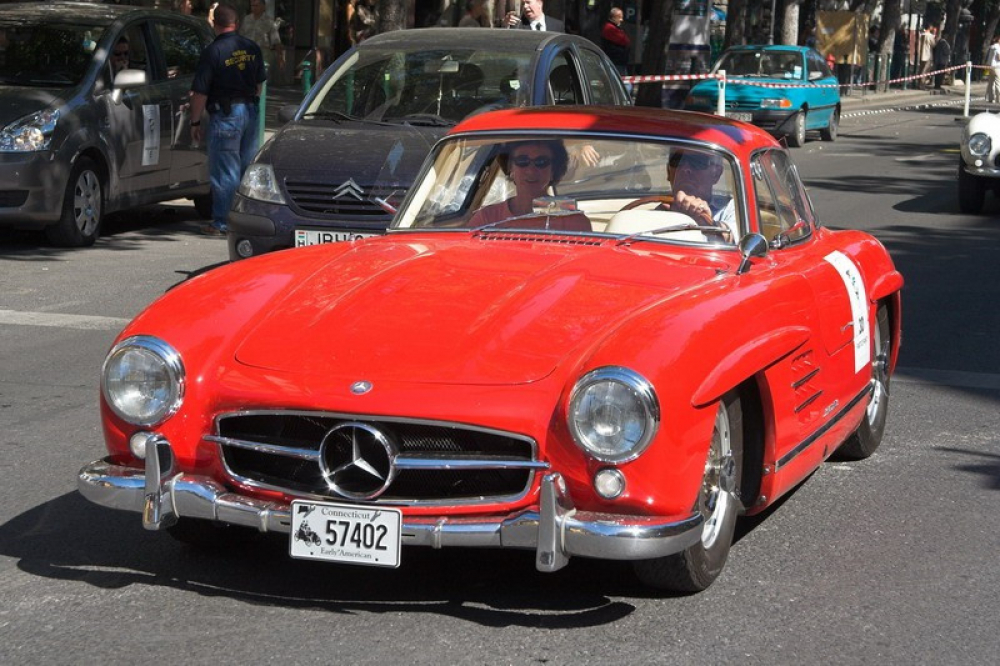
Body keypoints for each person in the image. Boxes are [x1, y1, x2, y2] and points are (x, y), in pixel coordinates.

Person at [189, 3, 266, 236]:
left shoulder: (213, 51)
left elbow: (200, 92)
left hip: (226, 115)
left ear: (215, 24)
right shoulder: (252, 47)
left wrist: (195, 122)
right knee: (245, 169)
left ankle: (222, 222)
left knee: (225, 170)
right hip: (250, 112)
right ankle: (244, 220)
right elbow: (259, 84)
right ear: (237, 23)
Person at [467, 140, 569, 227]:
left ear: (553, 171)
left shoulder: (569, 217)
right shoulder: (487, 218)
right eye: (522, 161)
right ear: (510, 168)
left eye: (541, 162)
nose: (531, 171)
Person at [664, 150, 737, 241]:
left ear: (716, 174)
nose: (685, 169)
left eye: (697, 161)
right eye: (676, 160)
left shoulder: (732, 209)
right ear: (668, 171)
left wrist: (707, 223)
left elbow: (736, 237)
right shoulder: (656, 212)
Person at [240, 0, 284, 81]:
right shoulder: (246, 19)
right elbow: (240, 37)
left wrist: (280, 57)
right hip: (247, 54)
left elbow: (276, 41)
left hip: (263, 54)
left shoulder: (269, 21)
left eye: (256, 5)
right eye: (252, 6)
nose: (254, 8)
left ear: (263, 7)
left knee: (261, 80)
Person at [601, 7, 630, 77]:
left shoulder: (614, 27)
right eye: (619, 17)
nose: (621, 20)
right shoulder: (610, 28)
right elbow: (624, 41)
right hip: (615, 61)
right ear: (613, 17)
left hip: (618, 61)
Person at [987, 35, 1000, 104]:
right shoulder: (998, 47)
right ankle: (998, 98)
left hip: (990, 66)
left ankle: (991, 98)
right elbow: (999, 57)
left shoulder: (991, 47)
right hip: (996, 66)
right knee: (998, 82)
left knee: (991, 82)